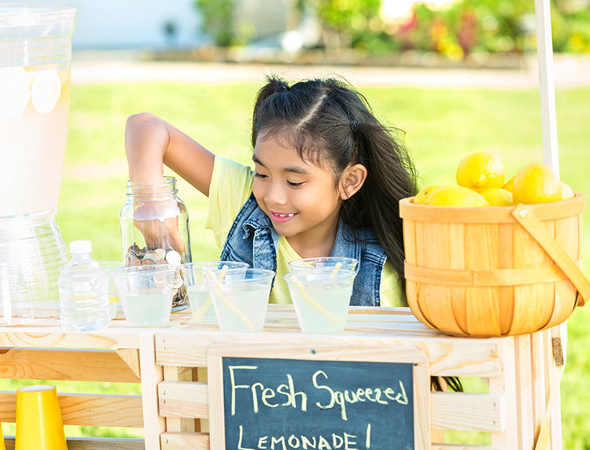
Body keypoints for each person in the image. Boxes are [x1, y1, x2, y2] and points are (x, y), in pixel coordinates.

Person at [124, 75, 416, 308]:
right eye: (262, 174)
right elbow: (146, 126)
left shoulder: (381, 269)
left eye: (294, 182)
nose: (273, 195)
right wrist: (151, 200)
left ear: (349, 182)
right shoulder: (241, 199)